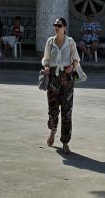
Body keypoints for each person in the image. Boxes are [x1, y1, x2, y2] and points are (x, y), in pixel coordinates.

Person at [42, 16, 82, 155]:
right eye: (55, 25)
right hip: (53, 78)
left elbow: (76, 59)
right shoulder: (50, 41)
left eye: (59, 25)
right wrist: (46, 67)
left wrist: (72, 66)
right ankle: (53, 131)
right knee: (53, 110)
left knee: (67, 112)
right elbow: (46, 59)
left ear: (64, 28)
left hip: (67, 79)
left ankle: (65, 142)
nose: (56, 27)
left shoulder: (70, 42)